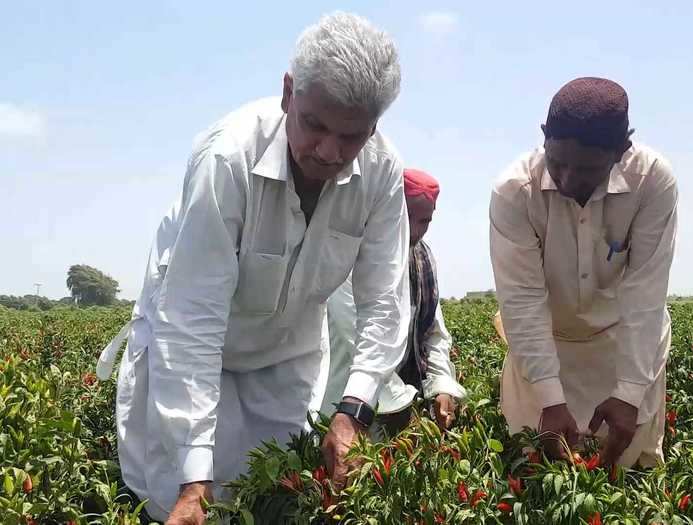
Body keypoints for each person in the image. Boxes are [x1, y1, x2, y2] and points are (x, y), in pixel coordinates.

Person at [96, 12, 410, 523]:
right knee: (177, 499)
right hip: (193, 358)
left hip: (285, 360)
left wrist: (353, 411)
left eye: (351, 135)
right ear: (289, 93)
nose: (329, 152)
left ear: (374, 126)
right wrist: (193, 477)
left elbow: (385, 301)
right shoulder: (228, 159)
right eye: (314, 125)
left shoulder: (380, 172)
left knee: (269, 495)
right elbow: (192, 317)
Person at [490, 77, 677, 468]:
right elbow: (523, 301)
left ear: (621, 151)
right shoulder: (514, 192)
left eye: (589, 169)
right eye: (558, 162)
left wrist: (628, 395)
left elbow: (645, 295)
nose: (569, 180)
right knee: (538, 475)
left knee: (629, 470)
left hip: (623, 348)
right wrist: (549, 399)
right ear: (544, 137)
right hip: (546, 347)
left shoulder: (652, 181)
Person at [321, 168, 466, 437]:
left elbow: (433, 332)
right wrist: (402, 402)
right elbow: (355, 336)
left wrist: (442, 385)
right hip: (348, 397)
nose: (414, 229)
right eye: (406, 217)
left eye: (424, 221)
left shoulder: (421, 260)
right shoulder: (355, 253)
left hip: (400, 400)